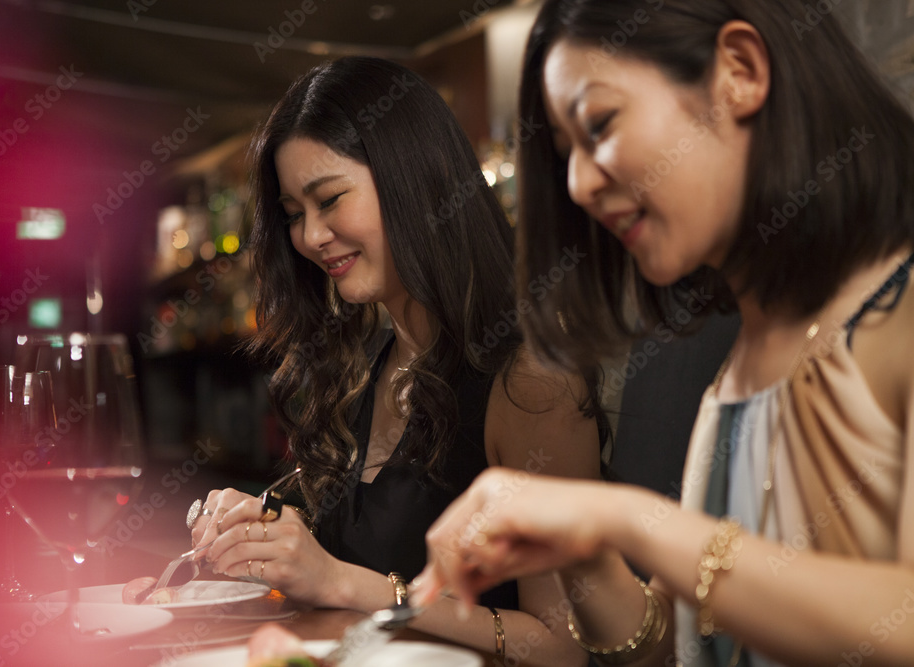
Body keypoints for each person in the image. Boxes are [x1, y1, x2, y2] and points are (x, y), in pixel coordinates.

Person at [412, 1, 914, 666]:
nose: (581, 184)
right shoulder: (739, 363)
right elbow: (680, 646)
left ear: (740, 70)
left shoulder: (896, 308)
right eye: (566, 153)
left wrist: (623, 521)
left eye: (600, 125)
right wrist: (584, 554)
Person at [189, 56, 607, 664]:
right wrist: (262, 527)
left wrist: (343, 583)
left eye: (329, 199)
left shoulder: (531, 379)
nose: (310, 236)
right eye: (294, 215)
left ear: (416, 179)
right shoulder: (364, 366)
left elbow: (562, 647)